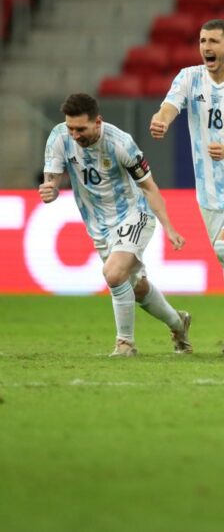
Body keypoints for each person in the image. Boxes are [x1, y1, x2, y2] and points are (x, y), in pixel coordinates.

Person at [149, 19, 224, 355]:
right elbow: (171, 104)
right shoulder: (189, 77)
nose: (206, 47)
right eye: (202, 41)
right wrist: (162, 118)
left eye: (213, 41)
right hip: (209, 194)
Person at [40, 93, 191, 356]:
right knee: (137, 287)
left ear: (97, 122)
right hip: (98, 226)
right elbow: (51, 178)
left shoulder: (121, 144)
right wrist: (50, 188)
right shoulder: (59, 137)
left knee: (113, 273)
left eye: (81, 129)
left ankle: (125, 344)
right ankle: (179, 323)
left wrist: (169, 227)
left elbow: (150, 187)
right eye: (71, 128)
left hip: (135, 215)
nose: (75, 134)